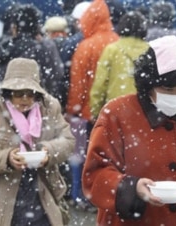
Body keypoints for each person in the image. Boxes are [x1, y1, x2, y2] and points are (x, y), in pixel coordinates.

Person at [82, 35, 176, 226]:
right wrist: (131, 187)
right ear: (148, 83)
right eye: (168, 88)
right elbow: (96, 174)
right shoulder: (117, 114)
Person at [0, 58, 75, 226]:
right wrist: (7, 158)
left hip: (43, 191)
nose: (25, 99)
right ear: (8, 92)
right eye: (18, 93)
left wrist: (48, 150)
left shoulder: (49, 106)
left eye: (30, 93)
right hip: (4, 198)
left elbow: (68, 141)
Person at [66, 0, 119, 211]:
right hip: (115, 114)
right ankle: (106, 195)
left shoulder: (86, 46)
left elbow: (78, 83)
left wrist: (74, 108)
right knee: (111, 157)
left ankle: (85, 195)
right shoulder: (117, 42)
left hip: (89, 113)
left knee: (87, 155)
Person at [90, 10, 149, 119]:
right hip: (144, 110)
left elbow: (100, 84)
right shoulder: (150, 50)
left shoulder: (112, 50)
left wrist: (96, 111)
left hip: (116, 108)